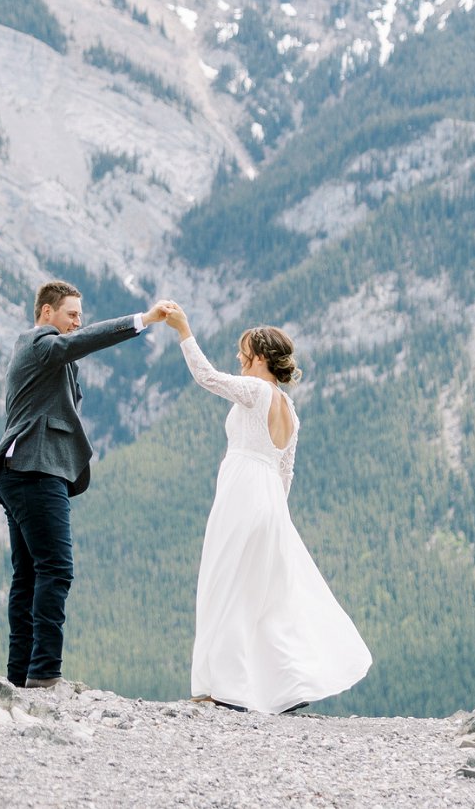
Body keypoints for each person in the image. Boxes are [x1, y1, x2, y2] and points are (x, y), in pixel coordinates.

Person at [159, 301, 372, 714]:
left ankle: (225, 687)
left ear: (259, 357)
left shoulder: (257, 391)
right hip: (270, 500)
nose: (239, 359)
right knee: (264, 596)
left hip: (242, 492)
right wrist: (275, 515)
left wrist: (184, 330)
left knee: (225, 585)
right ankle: (286, 686)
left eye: (244, 353)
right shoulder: (290, 410)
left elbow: (206, 377)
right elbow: (285, 472)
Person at [0, 279, 169, 688]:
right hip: (36, 469)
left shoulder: (46, 357)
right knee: (57, 569)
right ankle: (45, 672)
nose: (76, 323)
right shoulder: (39, 344)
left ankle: (21, 675)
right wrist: (143, 320)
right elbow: (77, 343)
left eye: (79, 317)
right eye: (71, 314)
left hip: (20, 471)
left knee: (30, 574)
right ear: (46, 312)